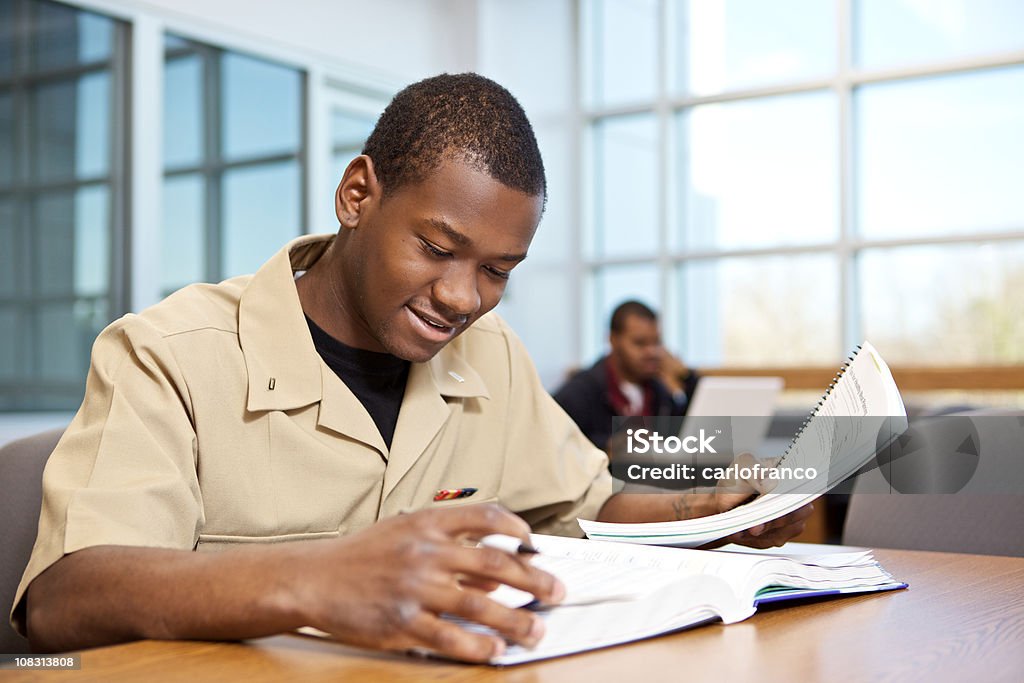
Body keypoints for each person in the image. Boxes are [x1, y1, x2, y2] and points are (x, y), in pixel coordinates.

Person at [13, 73, 810, 662]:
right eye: (436, 248)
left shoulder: (490, 356)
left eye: (498, 270)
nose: (463, 297)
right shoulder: (169, 353)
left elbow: (585, 501)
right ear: (358, 193)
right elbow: (63, 598)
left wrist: (713, 508)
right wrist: (315, 577)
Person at [553, 300, 699, 452]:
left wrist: (686, 377)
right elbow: (554, 444)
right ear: (613, 340)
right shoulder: (579, 393)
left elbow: (692, 430)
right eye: (640, 343)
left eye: (656, 342)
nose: (652, 352)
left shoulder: (660, 392)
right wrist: (606, 446)